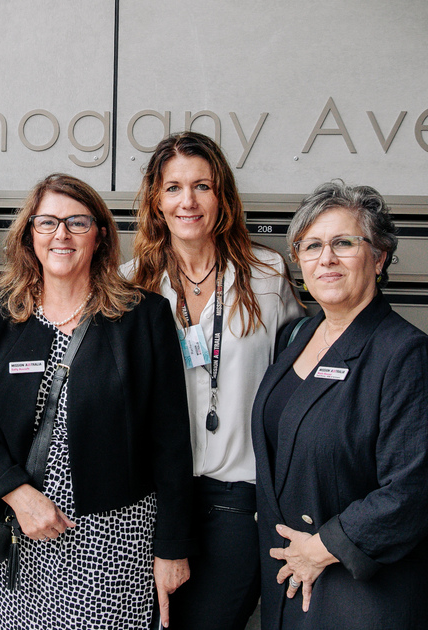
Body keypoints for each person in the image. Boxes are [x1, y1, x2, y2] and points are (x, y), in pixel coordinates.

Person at [0, 173, 194, 629]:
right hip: (23, 532)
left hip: (116, 542)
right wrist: (17, 495)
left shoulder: (143, 317)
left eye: (77, 222)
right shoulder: (1, 311)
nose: (60, 235)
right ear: (29, 234)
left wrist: (172, 548)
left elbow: (171, 443)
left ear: (100, 234)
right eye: (47, 223)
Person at [122, 131, 303, 629]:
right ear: (156, 201)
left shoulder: (267, 275)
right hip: (151, 505)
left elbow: (296, 383)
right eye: (174, 187)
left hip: (236, 502)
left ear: (221, 196)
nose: (188, 201)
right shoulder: (129, 283)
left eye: (202, 186)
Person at [252, 181, 428, 629]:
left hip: (358, 592)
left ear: (379, 255)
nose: (325, 258)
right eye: (311, 246)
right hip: (291, 584)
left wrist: (321, 548)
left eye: (343, 243)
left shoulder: (405, 352)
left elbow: (411, 491)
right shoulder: (300, 336)